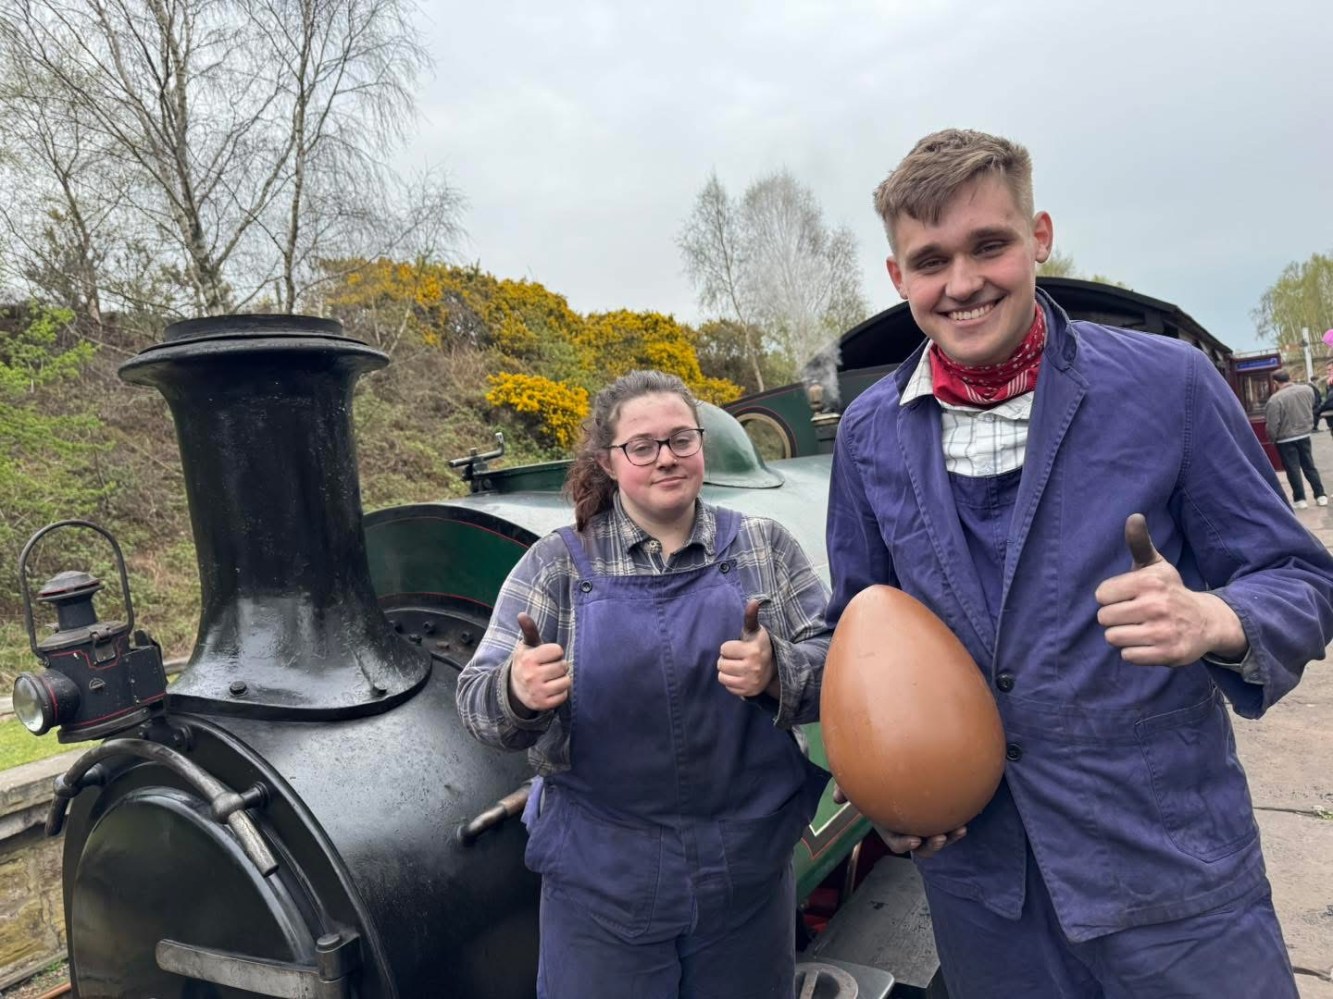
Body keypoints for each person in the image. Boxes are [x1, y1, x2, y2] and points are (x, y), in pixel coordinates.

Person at [825, 128, 1333, 998]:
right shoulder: (868, 433)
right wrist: (893, 793)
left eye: (989, 244)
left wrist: (1215, 618)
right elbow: (856, 629)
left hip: (1170, 874)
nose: (961, 282)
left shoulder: (1165, 385)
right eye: (929, 259)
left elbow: (1301, 579)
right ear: (895, 276)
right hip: (987, 895)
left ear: (1040, 237)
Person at [457, 370, 830, 999]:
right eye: (643, 445)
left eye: (682, 439)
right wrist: (517, 691)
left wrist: (779, 673)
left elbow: (841, 669)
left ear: (702, 446)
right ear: (607, 460)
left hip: (745, 878)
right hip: (602, 887)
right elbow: (476, 706)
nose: (666, 458)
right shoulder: (554, 567)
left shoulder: (765, 548)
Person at [1264, 367, 1327, 508]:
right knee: (1309, 466)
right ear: (1289, 377)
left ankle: (1300, 499)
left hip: (1285, 438)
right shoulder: (1307, 390)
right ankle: (1320, 495)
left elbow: (1273, 424)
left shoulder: (1275, 400)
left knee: (1293, 469)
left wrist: (1272, 439)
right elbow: (1312, 406)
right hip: (1304, 434)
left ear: (1275, 382)